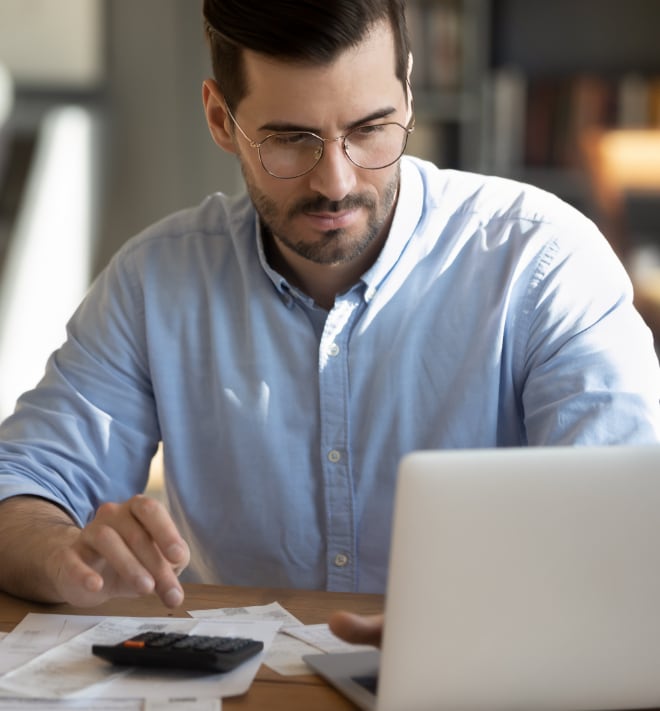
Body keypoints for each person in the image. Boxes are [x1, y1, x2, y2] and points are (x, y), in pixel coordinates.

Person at [0, 0, 659, 645]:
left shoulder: (542, 263)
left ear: (407, 91)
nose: (338, 181)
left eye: (370, 129)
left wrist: (474, 629)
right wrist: (63, 552)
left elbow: (624, 526)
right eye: (292, 139)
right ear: (220, 119)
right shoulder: (154, 282)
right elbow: (19, 484)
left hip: (492, 681)